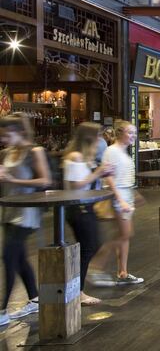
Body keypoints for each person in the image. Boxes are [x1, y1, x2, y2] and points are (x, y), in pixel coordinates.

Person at [0, 114, 51, 325]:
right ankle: (35, 298)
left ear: (19, 132)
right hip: (9, 211)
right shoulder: (5, 153)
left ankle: (2, 311)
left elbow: (45, 180)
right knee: (19, 259)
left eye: (6, 135)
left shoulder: (34, 151)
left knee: (8, 256)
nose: (3, 139)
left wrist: (14, 178)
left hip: (27, 212)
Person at [62, 122, 113, 306]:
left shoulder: (83, 156)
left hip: (86, 207)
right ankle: (78, 291)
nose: (101, 139)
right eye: (98, 136)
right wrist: (98, 172)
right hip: (79, 209)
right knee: (87, 248)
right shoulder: (75, 156)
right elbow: (76, 185)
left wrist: (100, 173)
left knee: (91, 246)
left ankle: (77, 288)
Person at [101, 120, 144, 285]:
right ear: (120, 133)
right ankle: (96, 266)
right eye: (129, 132)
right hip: (118, 197)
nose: (133, 136)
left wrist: (134, 194)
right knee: (125, 234)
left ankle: (123, 272)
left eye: (134, 133)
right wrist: (119, 199)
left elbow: (123, 177)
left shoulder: (123, 152)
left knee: (124, 237)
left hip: (126, 196)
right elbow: (109, 177)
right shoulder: (111, 151)